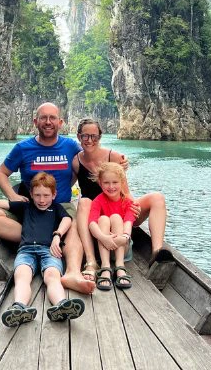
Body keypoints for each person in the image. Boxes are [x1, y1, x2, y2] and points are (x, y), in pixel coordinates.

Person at [0, 102, 97, 294]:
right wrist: (13, 196)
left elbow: (91, 159)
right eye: (43, 118)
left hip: (62, 206)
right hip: (31, 209)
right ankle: (40, 238)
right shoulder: (23, 148)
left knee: (75, 224)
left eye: (52, 118)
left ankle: (72, 273)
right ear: (36, 121)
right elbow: (1, 173)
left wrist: (119, 162)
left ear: (60, 122)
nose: (48, 122)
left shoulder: (70, 146)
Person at [0, 172, 86, 325]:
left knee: (52, 276)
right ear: (31, 194)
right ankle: (19, 307)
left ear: (54, 194)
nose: (42, 200)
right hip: (26, 251)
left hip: (49, 250)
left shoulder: (57, 208)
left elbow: (67, 219)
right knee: (22, 277)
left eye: (46, 195)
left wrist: (57, 236)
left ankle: (61, 305)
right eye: (37, 195)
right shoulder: (25, 207)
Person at [68, 117, 172, 285]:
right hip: (97, 216)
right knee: (84, 201)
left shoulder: (114, 157)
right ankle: (91, 260)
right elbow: (67, 186)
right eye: (85, 136)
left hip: (118, 209)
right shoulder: (76, 162)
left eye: (94, 136)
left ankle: (156, 252)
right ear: (79, 137)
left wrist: (132, 207)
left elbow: (125, 190)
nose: (89, 140)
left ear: (100, 137)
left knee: (157, 198)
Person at [88, 162, 136, 290]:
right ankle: (105, 267)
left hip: (122, 245)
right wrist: (104, 238)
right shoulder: (97, 201)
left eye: (115, 182)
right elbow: (92, 223)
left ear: (122, 183)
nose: (111, 187)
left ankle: (120, 266)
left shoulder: (128, 202)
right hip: (104, 246)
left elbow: (128, 223)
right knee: (102, 219)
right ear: (100, 183)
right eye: (106, 183)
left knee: (116, 217)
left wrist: (123, 238)